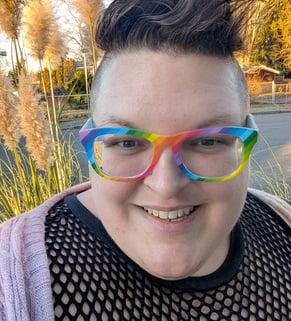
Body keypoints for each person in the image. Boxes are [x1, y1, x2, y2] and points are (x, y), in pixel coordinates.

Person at [0, 0, 290, 320]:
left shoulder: (282, 223)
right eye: (127, 142)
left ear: (246, 138)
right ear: (91, 141)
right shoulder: (12, 277)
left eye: (208, 141)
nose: (166, 186)